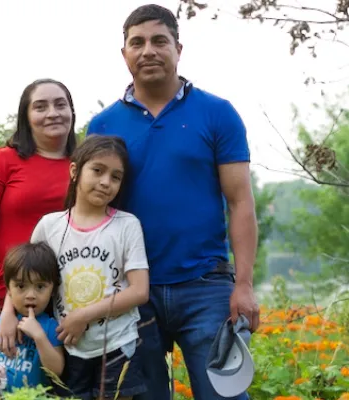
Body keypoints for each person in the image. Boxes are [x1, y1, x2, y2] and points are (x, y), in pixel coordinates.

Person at [87, 4, 260, 399]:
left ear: (178, 49)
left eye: (159, 41)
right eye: (137, 42)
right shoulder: (102, 126)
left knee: (225, 395)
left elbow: (240, 202)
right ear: (124, 54)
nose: (148, 50)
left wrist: (244, 284)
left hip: (206, 288)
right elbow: (92, 210)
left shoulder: (218, 113)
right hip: (131, 291)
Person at [0, 78, 76, 357]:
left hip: (69, 299)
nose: (52, 113)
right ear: (26, 116)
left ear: (72, 111)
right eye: (40, 106)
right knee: (9, 384)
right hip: (10, 297)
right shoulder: (1, 161)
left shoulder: (84, 165)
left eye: (61, 105)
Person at [29, 134, 150, 400]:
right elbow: (25, 280)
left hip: (117, 344)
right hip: (66, 346)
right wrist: (6, 315)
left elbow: (139, 291)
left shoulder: (126, 225)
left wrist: (82, 316)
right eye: (97, 170)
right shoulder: (49, 227)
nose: (106, 182)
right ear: (75, 170)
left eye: (116, 177)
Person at [0, 242, 65, 392]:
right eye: (21, 286)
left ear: (53, 290)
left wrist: (39, 336)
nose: (31, 295)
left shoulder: (50, 327)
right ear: (8, 289)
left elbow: (57, 370)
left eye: (40, 287)